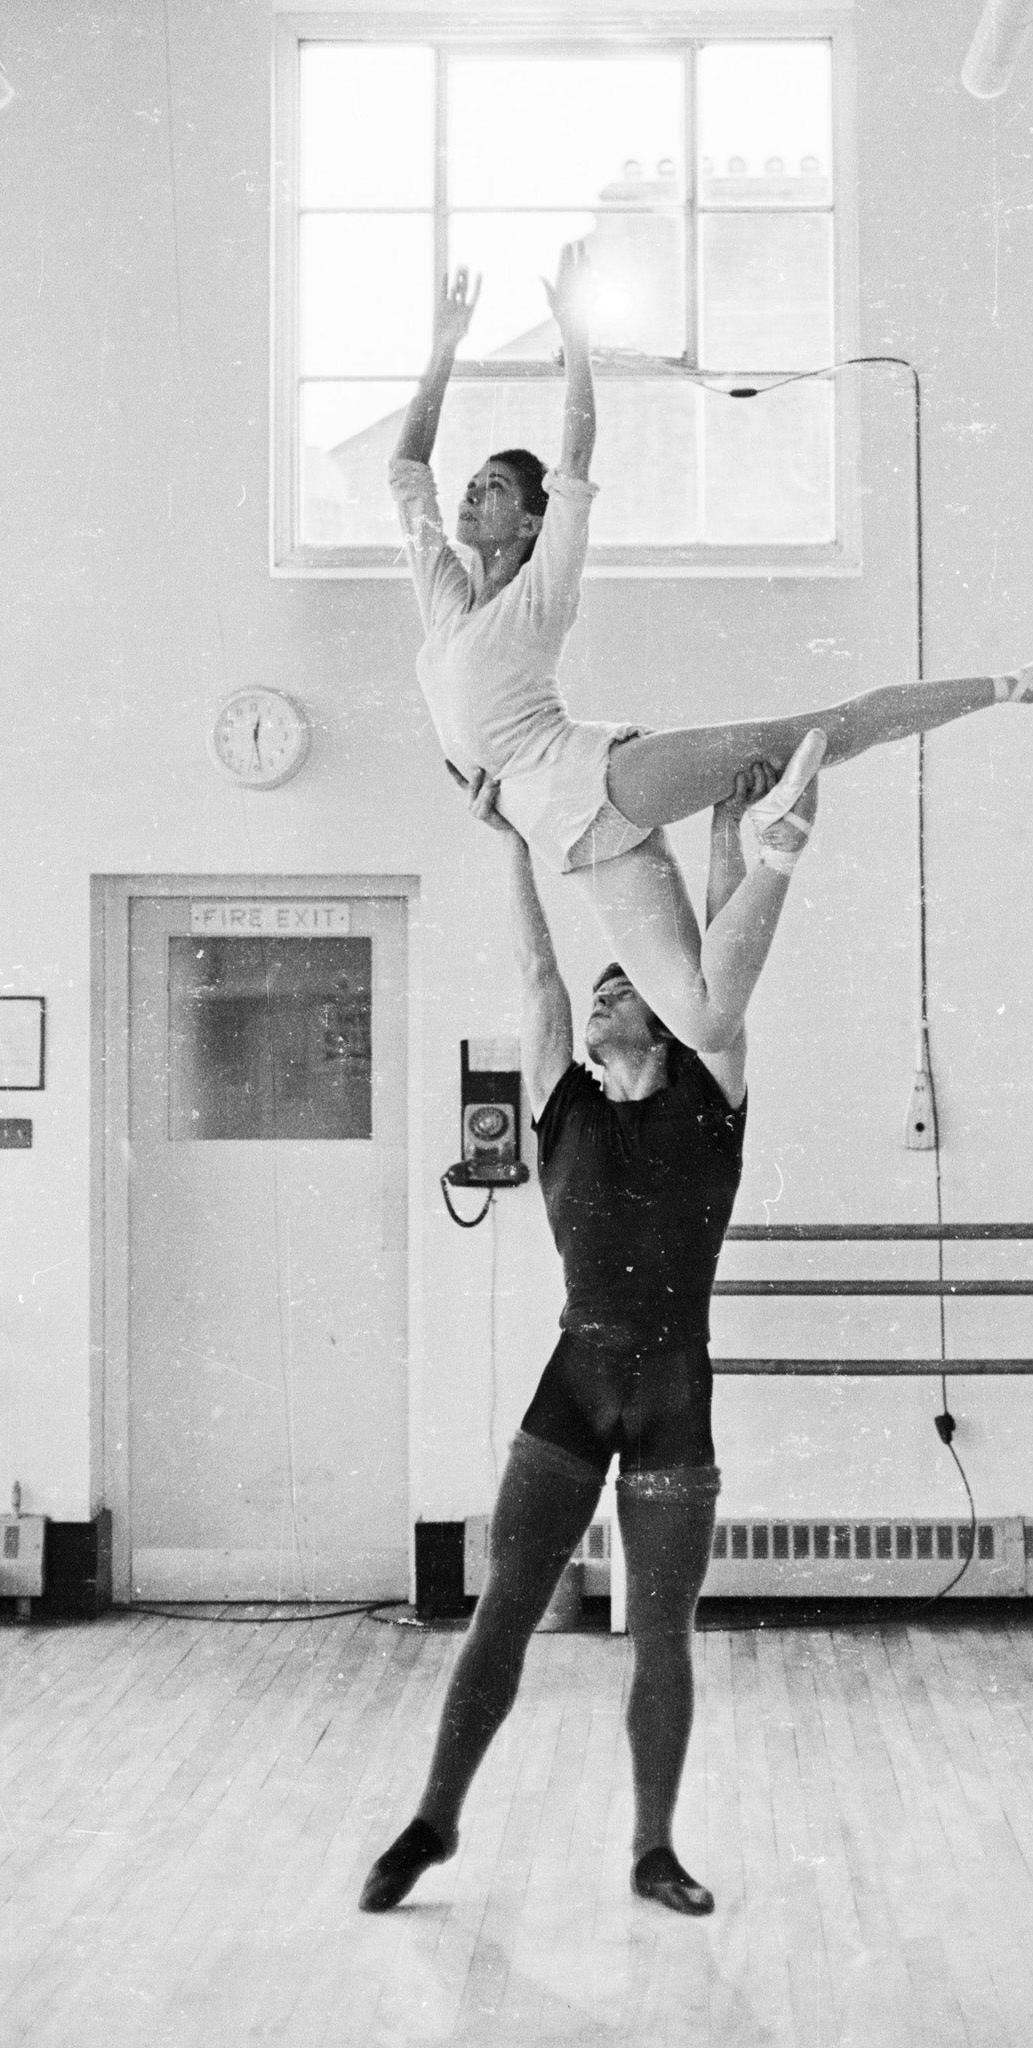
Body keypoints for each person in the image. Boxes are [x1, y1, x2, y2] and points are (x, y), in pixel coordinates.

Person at [389, 243, 1033, 1056]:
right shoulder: (447, 604)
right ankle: (749, 834)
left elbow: (574, 464)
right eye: (474, 483)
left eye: (493, 487)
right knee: (705, 1024)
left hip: (597, 780)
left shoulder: (539, 593)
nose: (470, 492)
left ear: (530, 524)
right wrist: (442, 352)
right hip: (567, 841)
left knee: (827, 727)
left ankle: (1015, 685)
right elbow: (407, 469)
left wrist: (577, 350)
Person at [359, 756, 812, 1918]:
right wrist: (509, 841)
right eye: (603, 985)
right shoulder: (559, 1096)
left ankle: (653, 1847)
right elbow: (533, 971)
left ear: (662, 1016)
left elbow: (717, 971)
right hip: (574, 1384)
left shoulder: (712, 1088)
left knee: (660, 1632)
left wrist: (725, 832)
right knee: (506, 1605)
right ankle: (434, 1817)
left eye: (622, 986)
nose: (604, 993)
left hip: (672, 1394)